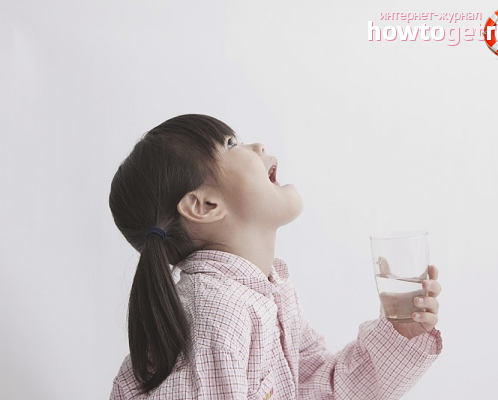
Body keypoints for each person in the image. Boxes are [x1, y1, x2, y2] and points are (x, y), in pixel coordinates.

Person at [108, 114, 442, 399]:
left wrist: (400, 332)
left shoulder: (266, 296)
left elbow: (324, 389)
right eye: (230, 144)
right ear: (205, 205)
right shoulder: (216, 314)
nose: (257, 146)